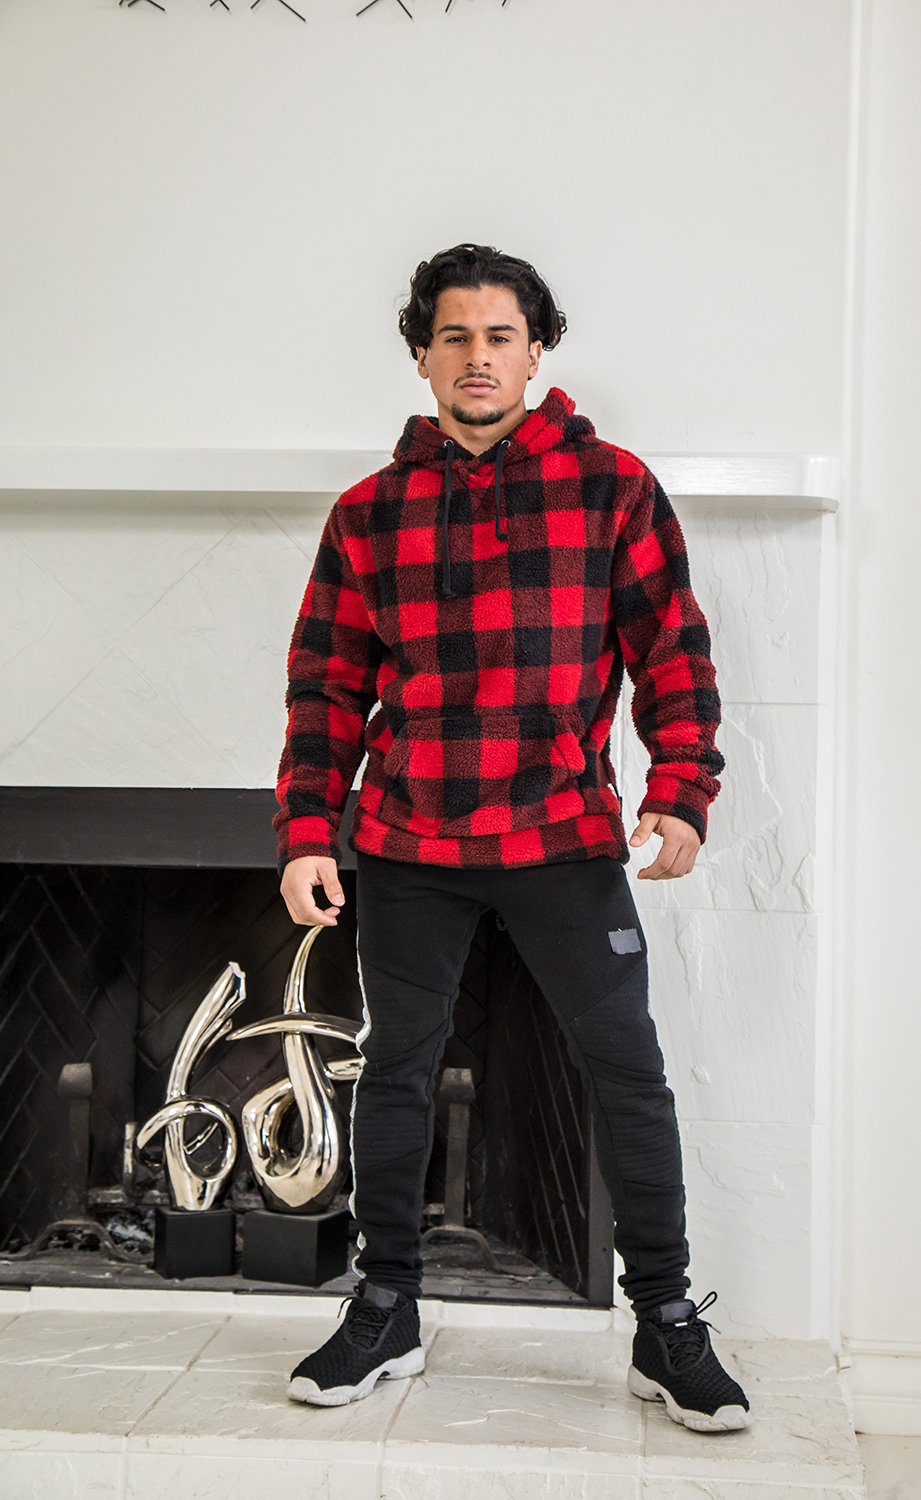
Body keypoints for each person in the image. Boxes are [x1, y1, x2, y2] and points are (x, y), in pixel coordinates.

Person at [275, 244, 750, 1432]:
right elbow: (325, 686)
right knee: (395, 1066)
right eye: (454, 337)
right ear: (421, 355)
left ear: (536, 353)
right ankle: (386, 1306)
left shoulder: (612, 489)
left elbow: (672, 651)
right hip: (406, 840)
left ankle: (665, 1323)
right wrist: (306, 828)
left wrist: (681, 787)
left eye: (499, 337)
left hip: (560, 837)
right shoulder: (368, 512)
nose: (476, 358)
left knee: (626, 1071)